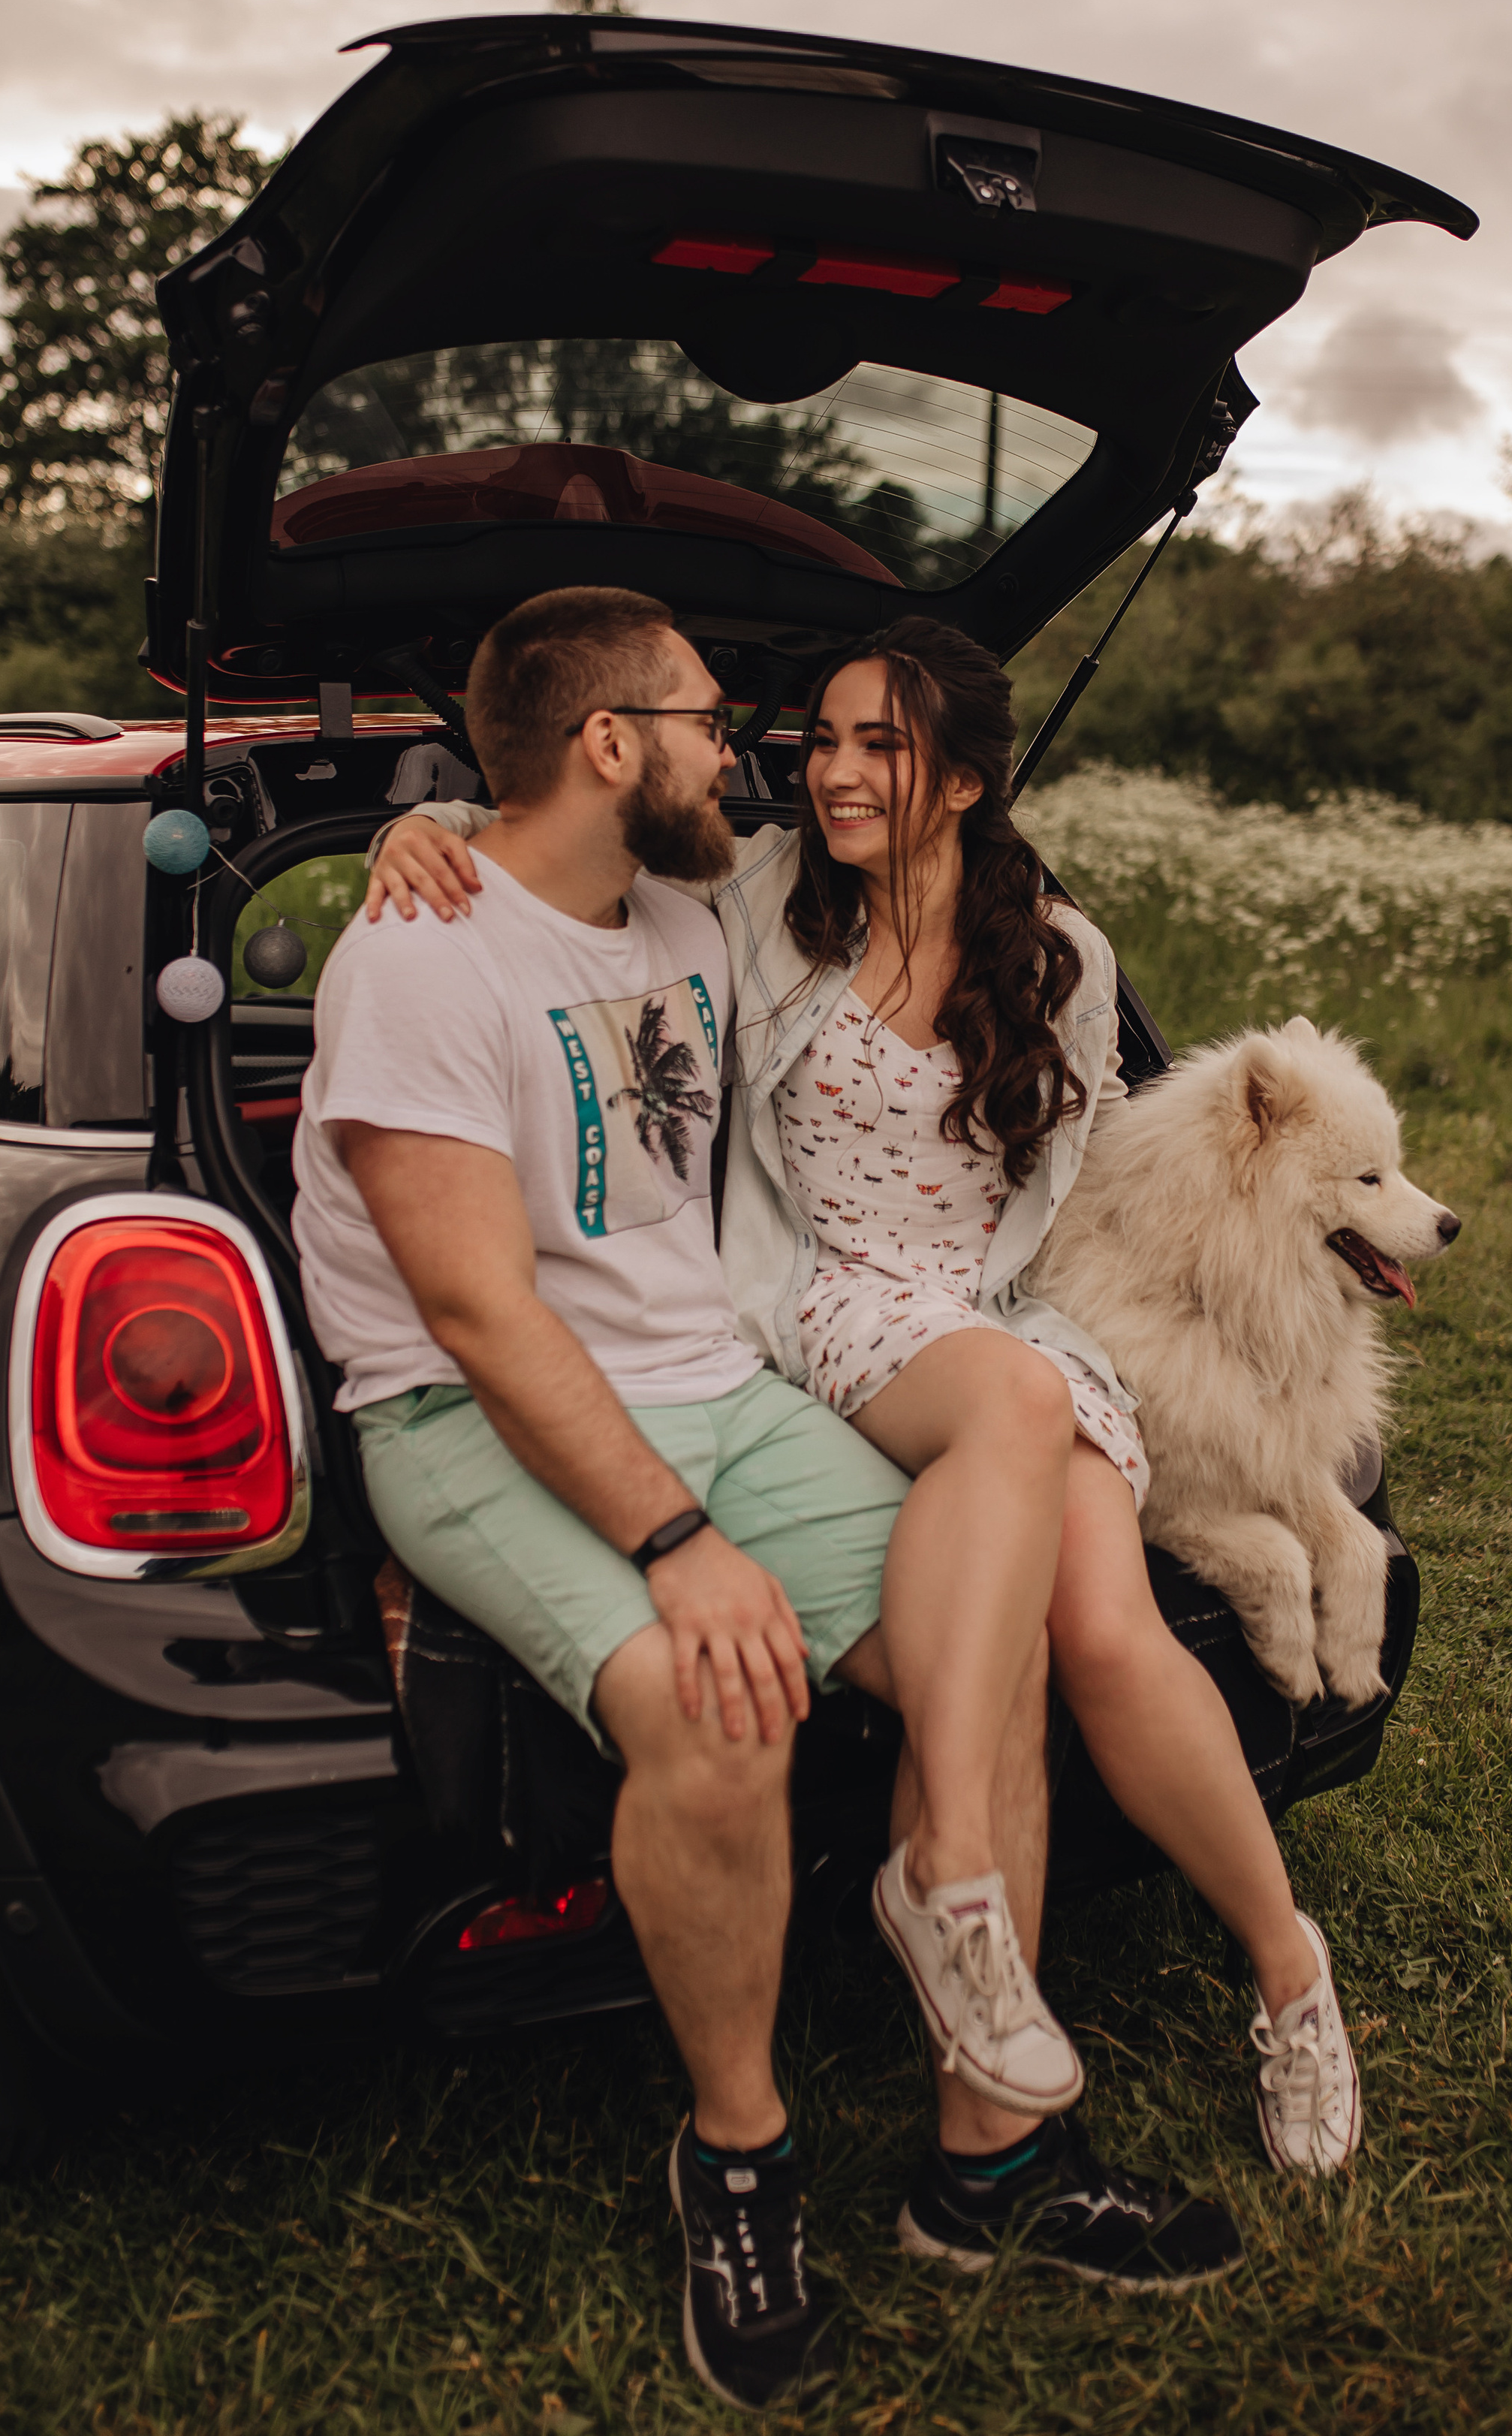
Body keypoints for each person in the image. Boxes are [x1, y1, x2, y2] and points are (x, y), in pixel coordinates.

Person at [312, 589, 1242, 2414]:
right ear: (609, 745)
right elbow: (480, 1319)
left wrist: (420, 818)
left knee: (987, 1635)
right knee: (716, 1703)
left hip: (715, 1391)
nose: (744, 748)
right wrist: (679, 1544)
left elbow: (903, 928)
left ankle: (987, 2158)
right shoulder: (418, 963)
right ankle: (739, 2161)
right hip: (473, 1421)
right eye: (705, 713)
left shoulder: (683, 910)